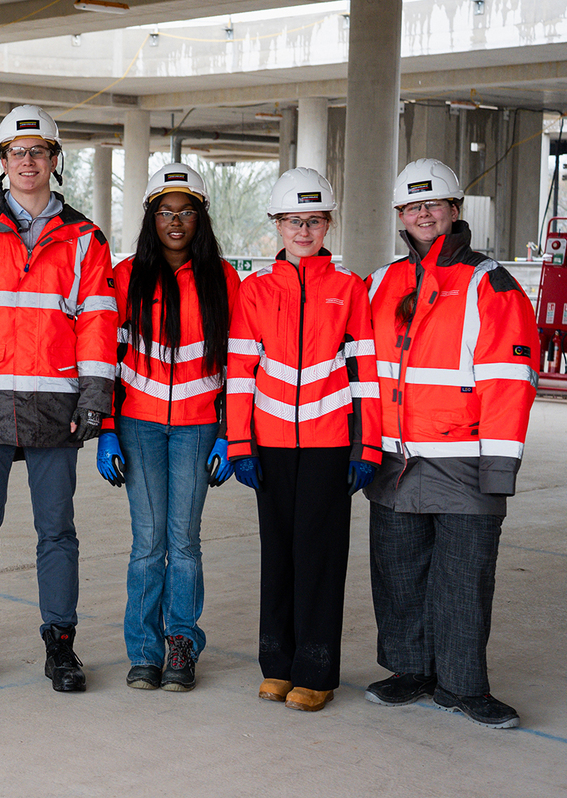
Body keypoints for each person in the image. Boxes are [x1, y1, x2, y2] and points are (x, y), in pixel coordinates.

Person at [0, 105, 116, 693]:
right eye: (17, 151)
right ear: (3, 160)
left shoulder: (85, 237)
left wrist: (94, 397)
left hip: (55, 406)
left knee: (57, 531)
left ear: (55, 160)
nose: (28, 160)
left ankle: (61, 642)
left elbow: (98, 320)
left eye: (39, 151)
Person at [363, 159, 538, 729]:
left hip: (464, 458)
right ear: (399, 216)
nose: (422, 214)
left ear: (454, 211)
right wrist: (362, 448)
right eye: (412, 207)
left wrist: (500, 466)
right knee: (398, 574)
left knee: (463, 579)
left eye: (432, 205)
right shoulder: (383, 282)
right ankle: (410, 671)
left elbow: (511, 382)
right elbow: (363, 371)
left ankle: (463, 686)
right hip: (396, 460)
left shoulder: (490, 282)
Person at [226, 167, 380, 712]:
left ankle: (316, 671)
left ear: (328, 224)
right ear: (277, 224)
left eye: (314, 221)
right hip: (269, 444)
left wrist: (368, 446)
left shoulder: (349, 289)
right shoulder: (255, 290)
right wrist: (239, 444)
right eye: (294, 220)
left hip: (330, 444)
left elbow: (367, 374)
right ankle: (277, 665)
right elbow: (241, 373)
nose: (304, 230)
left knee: (320, 557)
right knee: (279, 557)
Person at [94, 163, 239, 692]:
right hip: (138, 426)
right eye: (164, 212)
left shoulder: (224, 279)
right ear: (151, 217)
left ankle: (181, 640)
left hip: (199, 427)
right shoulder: (126, 274)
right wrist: (107, 426)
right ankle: (144, 652)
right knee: (147, 542)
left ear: (201, 218)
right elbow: (108, 356)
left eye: (186, 212)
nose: (175, 222)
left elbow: (238, 363)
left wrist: (231, 431)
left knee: (184, 540)